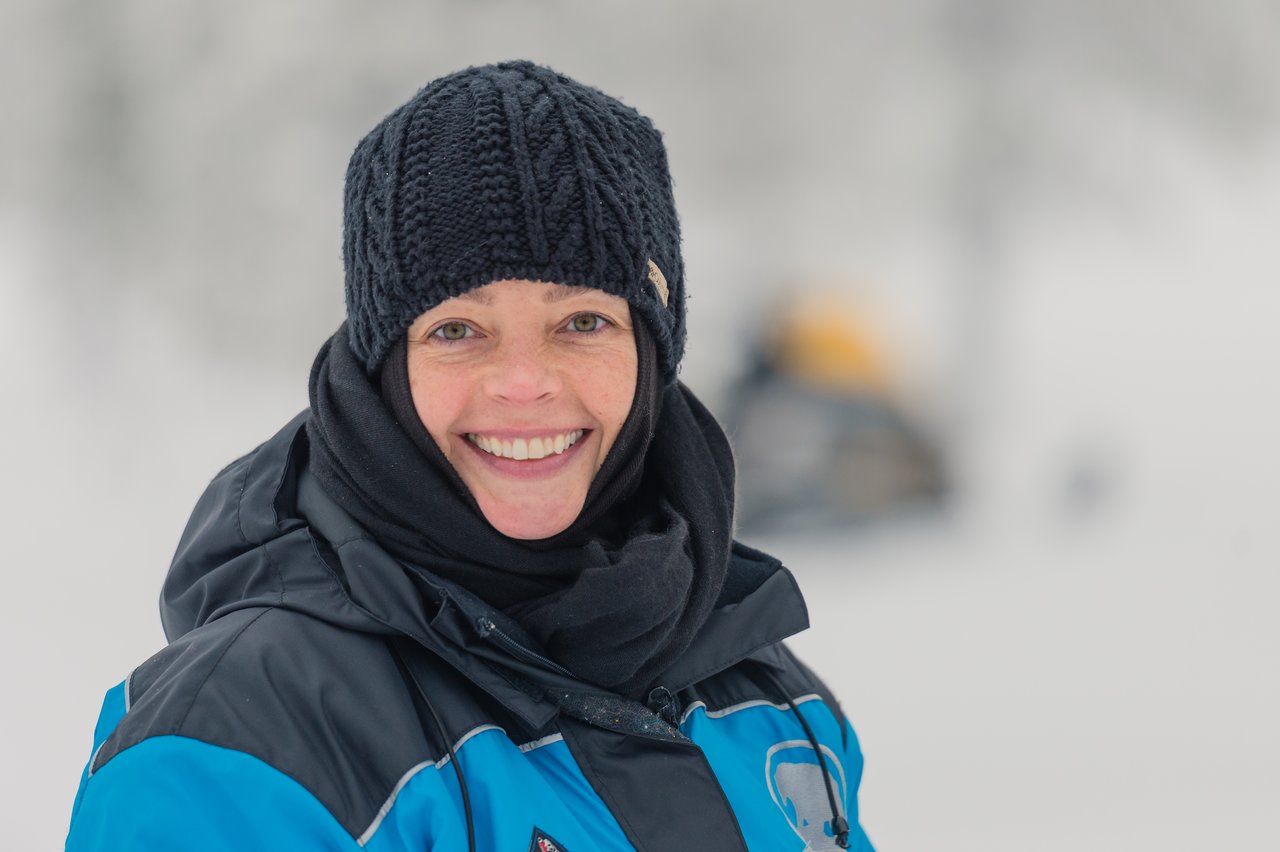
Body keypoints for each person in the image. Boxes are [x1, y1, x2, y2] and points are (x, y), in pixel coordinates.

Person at [66, 60, 874, 851]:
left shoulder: (771, 701)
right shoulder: (234, 750)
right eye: (457, 330)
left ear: (652, 352)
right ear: (387, 367)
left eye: (583, 322)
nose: (524, 385)